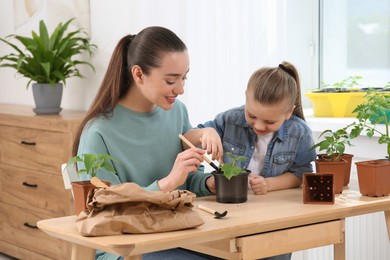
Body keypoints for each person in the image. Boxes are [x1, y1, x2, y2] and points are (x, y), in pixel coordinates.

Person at [72, 26, 220, 260]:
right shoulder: (98, 132)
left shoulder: (176, 112)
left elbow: (186, 184)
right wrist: (167, 182)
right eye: (171, 80)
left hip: (174, 233)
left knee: (264, 251)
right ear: (139, 74)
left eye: (184, 78)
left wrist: (210, 183)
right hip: (124, 247)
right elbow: (106, 212)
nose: (180, 89)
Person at [188, 62, 316, 260]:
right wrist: (206, 132)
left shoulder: (299, 133)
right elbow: (187, 139)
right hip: (230, 214)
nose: (258, 125)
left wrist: (269, 184)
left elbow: (302, 174)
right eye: (252, 115)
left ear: (289, 112)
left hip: (273, 218)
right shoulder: (229, 120)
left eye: (270, 122)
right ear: (246, 99)